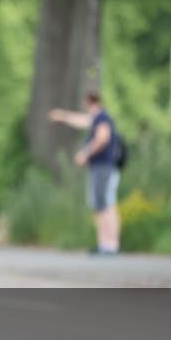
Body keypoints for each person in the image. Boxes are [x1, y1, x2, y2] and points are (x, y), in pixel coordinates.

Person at [49, 91, 122, 255]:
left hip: (104, 167)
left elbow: (102, 138)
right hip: (100, 167)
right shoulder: (97, 119)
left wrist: (85, 153)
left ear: (90, 102)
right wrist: (62, 116)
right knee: (99, 205)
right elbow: (81, 120)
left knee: (105, 205)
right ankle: (104, 244)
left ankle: (111, 245)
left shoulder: (103, 118)